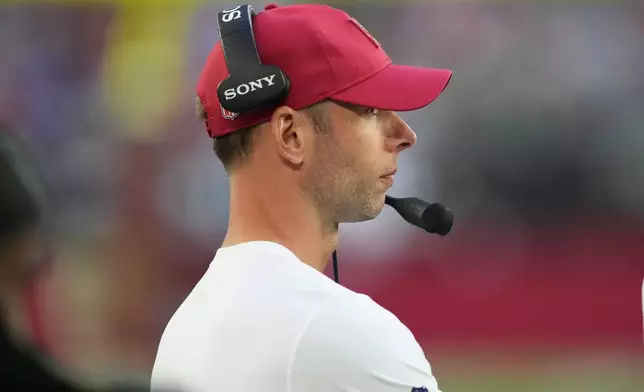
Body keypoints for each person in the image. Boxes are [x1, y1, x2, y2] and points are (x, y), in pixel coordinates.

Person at [151, 3, 452, 392]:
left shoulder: (181, 334)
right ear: (291, 136)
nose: (405, 135)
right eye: (370, 109)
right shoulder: (348, 335)